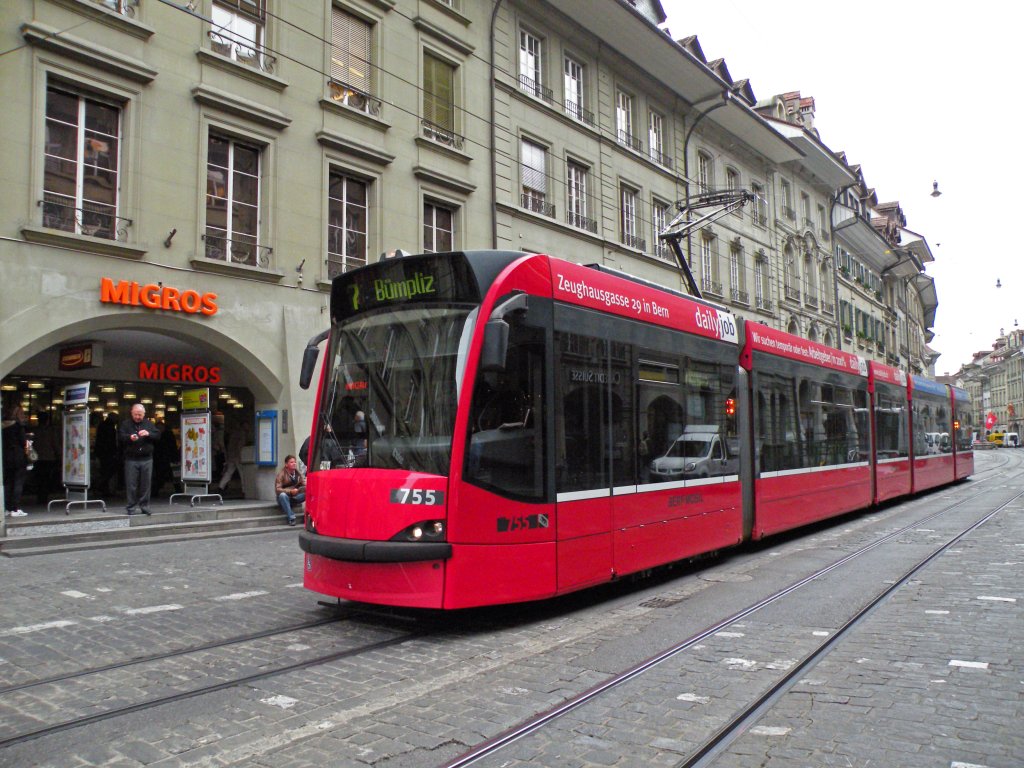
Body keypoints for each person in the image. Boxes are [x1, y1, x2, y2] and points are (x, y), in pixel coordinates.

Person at [118, 404, 160, 515]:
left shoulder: (149, 424)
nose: (138, 417)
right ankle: (131, 507)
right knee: (131, 484)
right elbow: (120, 437)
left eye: (140, 415)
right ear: (131, 413)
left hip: (147, 458)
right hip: (131, 458)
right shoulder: (125, 424)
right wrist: (129, 437)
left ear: (144, 414)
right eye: (136, 414)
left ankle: (144, 506)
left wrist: (148, 433)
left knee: (146, 484)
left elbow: (157, 435)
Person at [2, 405, 30, 517]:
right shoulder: (19, 426)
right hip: (18, 456)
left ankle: (7, 507)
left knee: (8, 482)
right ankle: (15, 508)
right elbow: (24, 442)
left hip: (6, 457)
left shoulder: (3, 427)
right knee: (18, 481)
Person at [32, 411, 61, 505]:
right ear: (47, 420)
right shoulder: (51, 431)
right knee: (46, 479)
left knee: (39, 479)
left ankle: (40, 497)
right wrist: (59, 455)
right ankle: (44, 497)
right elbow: (55, 444)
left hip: (37, 458)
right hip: (49, 458)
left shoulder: (35, 431)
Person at [274, 454, 305, 526]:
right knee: (282, 495)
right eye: (291, 462)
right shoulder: (281, 474)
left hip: (295, 497)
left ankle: (307, 515)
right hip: (284, 498)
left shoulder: (298, 473)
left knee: (310, 492)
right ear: (286, 464)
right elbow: (277, 489)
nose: (294, 464)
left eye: (294, 462)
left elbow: (303, 484)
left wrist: (302, 488)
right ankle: (291, 518)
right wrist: (290, 491)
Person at [217, 418, 245, 494]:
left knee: (229, 472)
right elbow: (239, 446)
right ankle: (244, 489)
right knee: (243, 473)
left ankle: (221, 486)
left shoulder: (232, 434)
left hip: (231, 456)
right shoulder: (241, 434)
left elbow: (229, 446)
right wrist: (240, 457)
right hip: (237, 456)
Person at [95, 412, 120, 495]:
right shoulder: (110, 427)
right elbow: (110, 441)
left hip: (103, 452)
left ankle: (103, 487)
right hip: (108, 452)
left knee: (105, 470)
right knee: (109, 470)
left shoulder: (103, 425)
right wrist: (114, 451)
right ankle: (102, 486)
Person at [152, 418, 178, 498]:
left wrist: (175, 456)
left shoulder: (167, 435)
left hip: (166, 457)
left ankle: (178, 489)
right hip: (159, 458)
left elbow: (173, 446)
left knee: (172, 475)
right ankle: (155, 491)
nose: (160, 429)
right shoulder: (155, 436)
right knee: (160, 475)